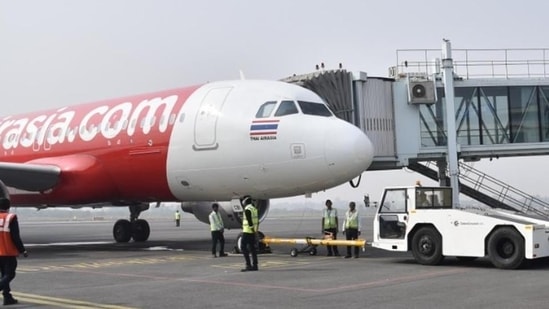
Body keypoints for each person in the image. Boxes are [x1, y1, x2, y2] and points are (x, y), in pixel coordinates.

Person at [0, 197, 27, 306]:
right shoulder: (10, 218)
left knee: (4, 275)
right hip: (8, 252)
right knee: (10, 274)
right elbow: (16, 237)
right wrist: (23, 250)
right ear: (8, 207)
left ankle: (7, 297)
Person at [240, 195, 259, 272]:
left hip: (247, 231)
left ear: (245, 201)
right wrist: (255, 231)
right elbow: (257, 221)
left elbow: (250, 221)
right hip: (253, 232)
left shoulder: (247, 209)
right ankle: (255, 265)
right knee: (253, 249)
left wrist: (252, 229)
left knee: (243, 247)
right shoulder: (254, 209)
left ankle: (248, 265)